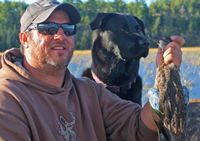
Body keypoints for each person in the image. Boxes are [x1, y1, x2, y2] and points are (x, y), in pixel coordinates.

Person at [0, 0, 185, 141]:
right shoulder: (7, 98)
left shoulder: (89, 91)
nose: (60, 35)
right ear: (24, 39)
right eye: (47, 28)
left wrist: (166, 74)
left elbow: (137, 126)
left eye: (68, 28)